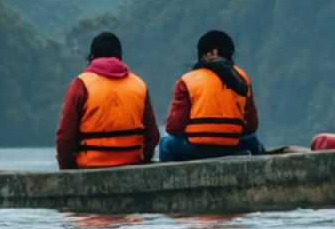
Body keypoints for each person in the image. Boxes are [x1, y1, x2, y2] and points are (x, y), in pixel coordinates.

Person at [55, 32, 159, 170]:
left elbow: (65, 138)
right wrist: (144, 158)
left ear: (92, 58)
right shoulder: (139, 84)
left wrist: (67, 169)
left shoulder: (80, 84)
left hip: (90, 165)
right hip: (132, 160)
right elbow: (152, 136)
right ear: (120, 58)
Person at [159, 30, 265, 162]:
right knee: (251, 138)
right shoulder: (242, 78)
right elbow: (251, 126)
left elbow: (174, 127)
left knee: (165, 143)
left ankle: (170, 181)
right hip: (232, 147)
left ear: (211, 53)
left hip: (196, 149)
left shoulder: (188, 80)